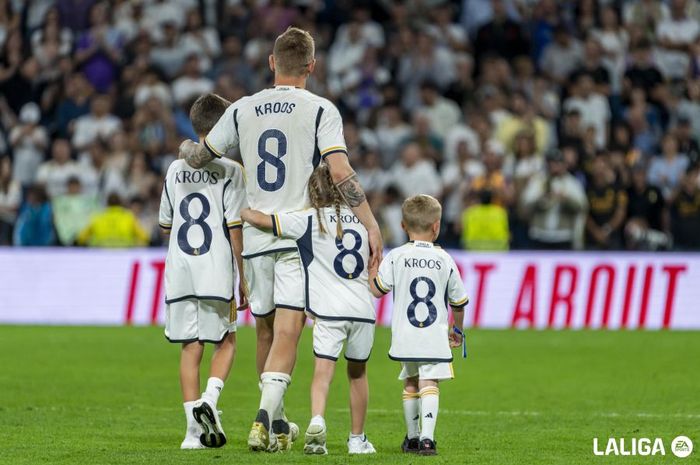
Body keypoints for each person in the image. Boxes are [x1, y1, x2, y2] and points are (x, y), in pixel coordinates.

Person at [178, 27, 383, 453]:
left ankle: (277, 422)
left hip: (254, 237)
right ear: (312, 66)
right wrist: (371, 223)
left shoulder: (242, 109)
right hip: (296, 235)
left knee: (266, 332)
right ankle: (262, 419)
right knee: (290, 333)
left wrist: (184, 148)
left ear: (272, 63)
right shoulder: (321, 109)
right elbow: (341, 172)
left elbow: (202, 155)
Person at [241, 164, 376, 455]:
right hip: (364, 310)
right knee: (358, 374)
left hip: (328, 312)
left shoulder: (308, 220)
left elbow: (261, 221)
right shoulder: (365, 223)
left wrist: (243, 209)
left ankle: (316, 420)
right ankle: (357, 439)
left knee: (322, 373)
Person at [158, 93, 247, 449]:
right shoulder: (231, 170)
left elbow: (166, 223)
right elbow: (235, 228)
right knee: (226, 341)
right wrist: (244, 278)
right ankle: (209, 401)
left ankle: (191, 434)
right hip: (215, 270)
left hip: (180, 269)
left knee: (189, 347)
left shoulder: (174, 169)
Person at [369, 194, 468, 456]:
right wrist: (457, 330)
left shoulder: (396, 256)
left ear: (403, 226)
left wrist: (371, 271)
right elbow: (458, 301)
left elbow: (378, 291)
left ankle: (412, 438)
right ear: (436, 226)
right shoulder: (444, 259)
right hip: (433, 335)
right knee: (430, 382)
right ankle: (427, 439)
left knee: (410, 383)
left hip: (405, 335)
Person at [77, 193, 149, 247]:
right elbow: (144, 237)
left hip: (100, 254)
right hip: (124, 254)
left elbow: (81, 238)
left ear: (107, 204)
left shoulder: (97, 217)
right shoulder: (129, 217)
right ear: (120, 203)